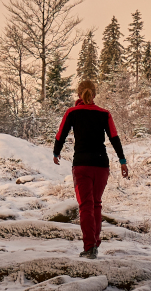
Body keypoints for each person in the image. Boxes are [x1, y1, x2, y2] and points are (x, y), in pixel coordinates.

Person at [52, 80, 129, 259]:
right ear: (94, 95)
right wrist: (122, 161)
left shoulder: (72, 112)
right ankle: (94, 242)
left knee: (85, 205)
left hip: (82, 165)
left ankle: (89, 247)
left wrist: (56, 152)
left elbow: (61, 134)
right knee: (96, 203)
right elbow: (114, 138)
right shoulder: (104, 114)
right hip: (101, 165)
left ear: (79, 95)